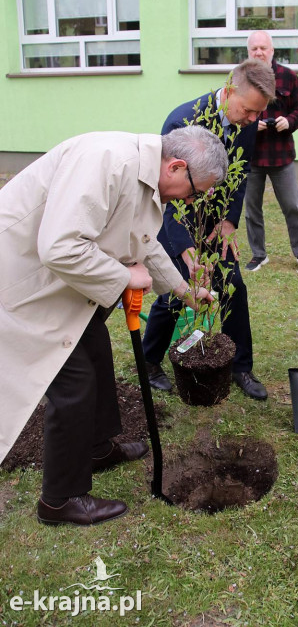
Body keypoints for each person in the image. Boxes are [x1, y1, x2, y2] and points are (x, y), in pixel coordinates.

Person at [0, 126, 228, 526]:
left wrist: (182, 289)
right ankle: (59, 500)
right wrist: (124, 278)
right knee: (73, 382)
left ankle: (95, 447)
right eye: (194, 192)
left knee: (95, 350)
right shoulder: (106, 161)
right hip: (19, 282)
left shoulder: (142, 175)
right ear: (176, 166)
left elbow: (144, 242)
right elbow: (59, 246)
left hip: (60, 283)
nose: (190, 200)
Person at [142, 59, 276, 400]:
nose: (251, 120)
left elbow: (240, 174)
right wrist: (185, 246)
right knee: (175, 291)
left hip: (216, 226)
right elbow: (167, 190)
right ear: (229, 90)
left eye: (257, 114)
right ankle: (149, 361)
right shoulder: (183, 120)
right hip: (180, 220)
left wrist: (229, 220)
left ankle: (240, 368)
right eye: (248, 111)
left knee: (233, 287)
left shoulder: (246, 122)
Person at [244, 30, 298, 275]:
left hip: (281, 155)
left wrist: (289, 121)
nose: (259, 52)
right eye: (254, 48)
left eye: (263, 48)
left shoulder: (288, 77)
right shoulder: (240, 78)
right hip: (251, 156)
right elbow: (230, 111)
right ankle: (258, 254)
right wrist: (253, 125)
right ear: (248, 52)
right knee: (252, 209)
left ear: (272, 50)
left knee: (292, 207)